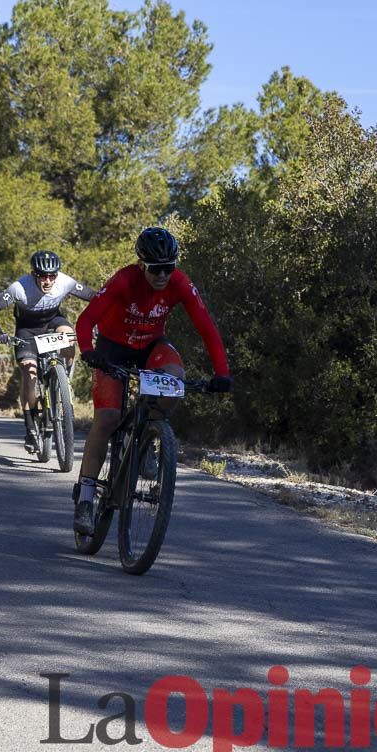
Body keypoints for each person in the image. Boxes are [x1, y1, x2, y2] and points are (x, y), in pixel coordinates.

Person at [71, 226, 233, 534]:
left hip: (150, 346)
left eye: (168, 268)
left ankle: (148, 439)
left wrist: (222, 373)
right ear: (141, 265)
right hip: (112, 349)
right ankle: (86, 497)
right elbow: (86, 320)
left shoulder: (181, 284)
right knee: (107, 417)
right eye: (156, 269)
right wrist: (89, 351)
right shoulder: (124, 280)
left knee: (175, 380)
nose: (162, 276)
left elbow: (207, 328)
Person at [0, 250, 95, 452]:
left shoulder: (64, 281)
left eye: (52, 275)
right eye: (43, 275)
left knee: (69, 335)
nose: (48, 280)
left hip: (53, 322)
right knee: (29, 374)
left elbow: (93, 296)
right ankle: (30, 426)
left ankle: (63, 381)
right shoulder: (20, 287)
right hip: (27, 331)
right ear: (34, 274)